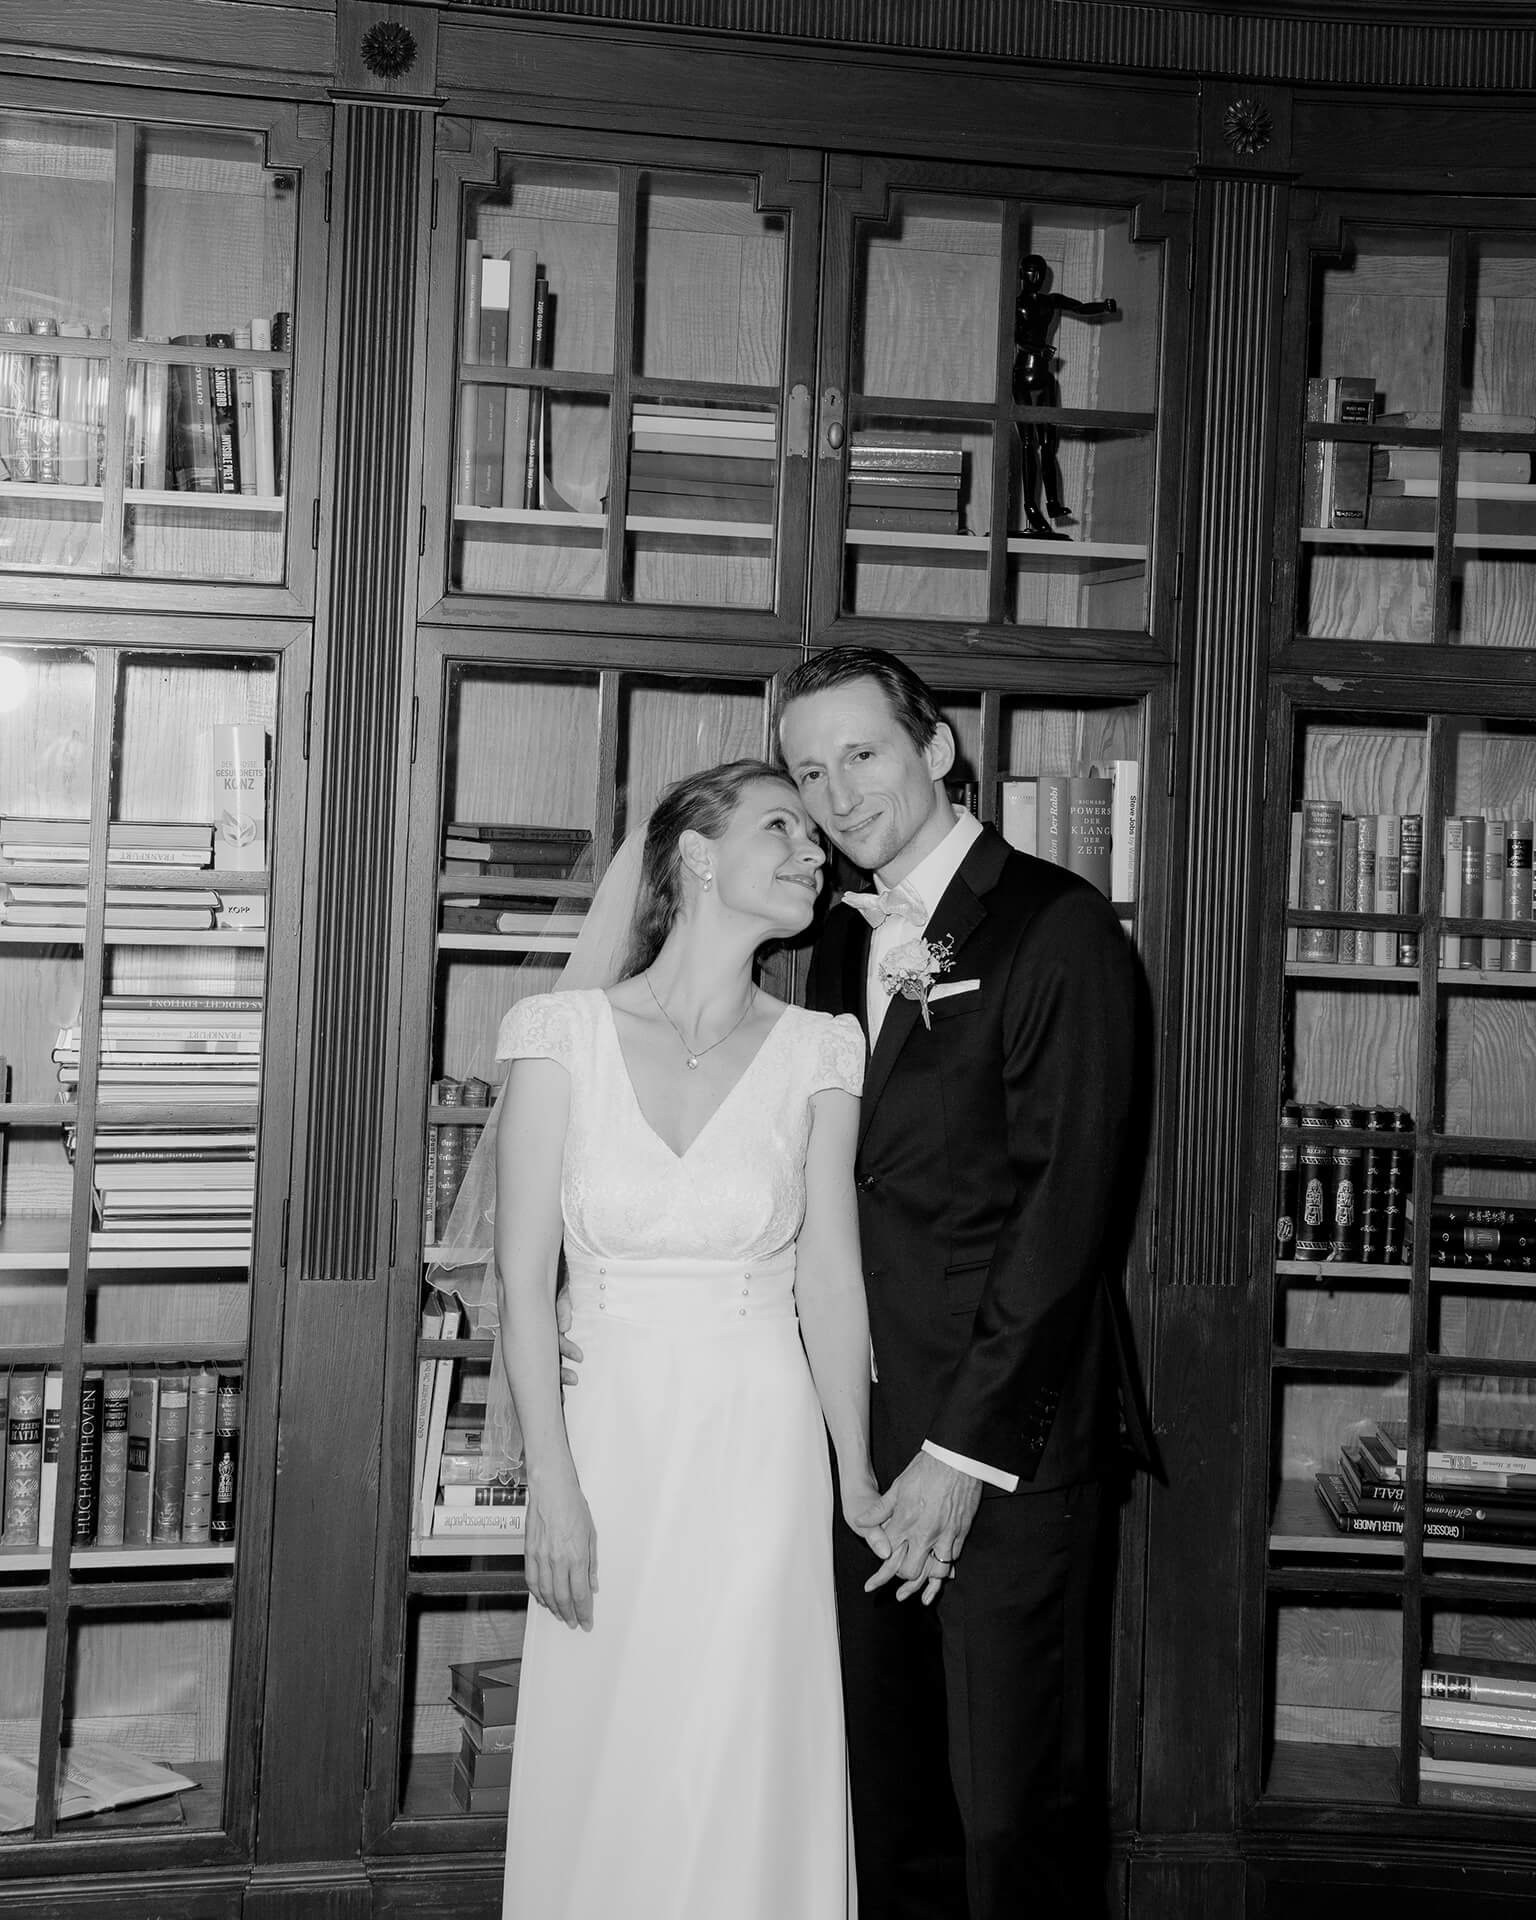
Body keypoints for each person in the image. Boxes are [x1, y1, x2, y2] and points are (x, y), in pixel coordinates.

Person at [489, 758, 901, 1920]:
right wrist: (551, 1487)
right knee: (612, 1719)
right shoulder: (557, 1033)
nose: (815, 850)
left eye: (816, 836)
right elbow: (523, 1282)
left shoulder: (823, 1048)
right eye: (786, 825)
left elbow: (830, 1276)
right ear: (698, 855)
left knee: (741, 1726)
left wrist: (855, 1470)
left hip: (759, 1433)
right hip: (609, 1430)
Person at [778, 647, 1149, 1920]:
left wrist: (959, 1455)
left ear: (936, 751)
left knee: (1013, 1819)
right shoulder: (836, 945)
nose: (837, 792)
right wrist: (864, 1456)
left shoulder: (1058, 926)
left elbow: (1065, 1220)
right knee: (897, 1809)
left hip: (1006, 1454)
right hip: (869, 1456)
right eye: (808, 771)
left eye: (862, 754)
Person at [1012, 251, 1118, 537]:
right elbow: (1016, 337)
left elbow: (1081, 308)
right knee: (1027, 443)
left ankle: (1053, 502)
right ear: (1022, 274)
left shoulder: (1050, 301)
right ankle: (1031, 508)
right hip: (1023, 376)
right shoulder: (1016, 304)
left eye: (1040, 272)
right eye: (1030, 271)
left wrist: (1104, 306)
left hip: (1043, 378)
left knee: (1047, 442)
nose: (1035, 277)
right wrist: (1037, 350)